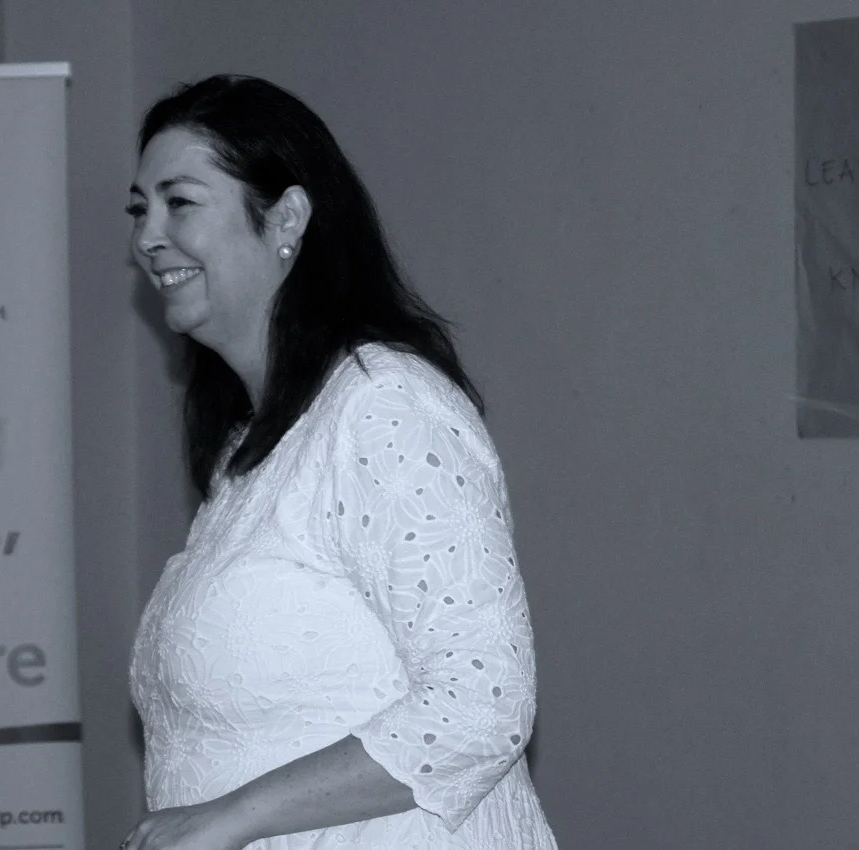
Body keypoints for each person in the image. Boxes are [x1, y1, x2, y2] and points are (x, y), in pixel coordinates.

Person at [123, 74, 558, 850]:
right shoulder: (249, 447)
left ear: (286, 218)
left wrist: (231, 818)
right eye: (138, 210)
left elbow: (482, 703)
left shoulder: (385, 405)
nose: (147, 238)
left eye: (179, 202)